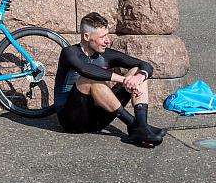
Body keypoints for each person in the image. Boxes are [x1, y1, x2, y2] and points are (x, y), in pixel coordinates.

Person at [54, 12, 168, 147]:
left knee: (137, 71)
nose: (107, 40)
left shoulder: (106, 54)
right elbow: (85, 70)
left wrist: (138, 77)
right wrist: (123, 80)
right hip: (72, 120)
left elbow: (145, 65)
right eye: (102, 37)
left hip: (98, 120)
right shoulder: (69, 53)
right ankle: (134, 125)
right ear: (86, 36)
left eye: (107, 35)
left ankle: (141, 127)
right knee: (88, 79)